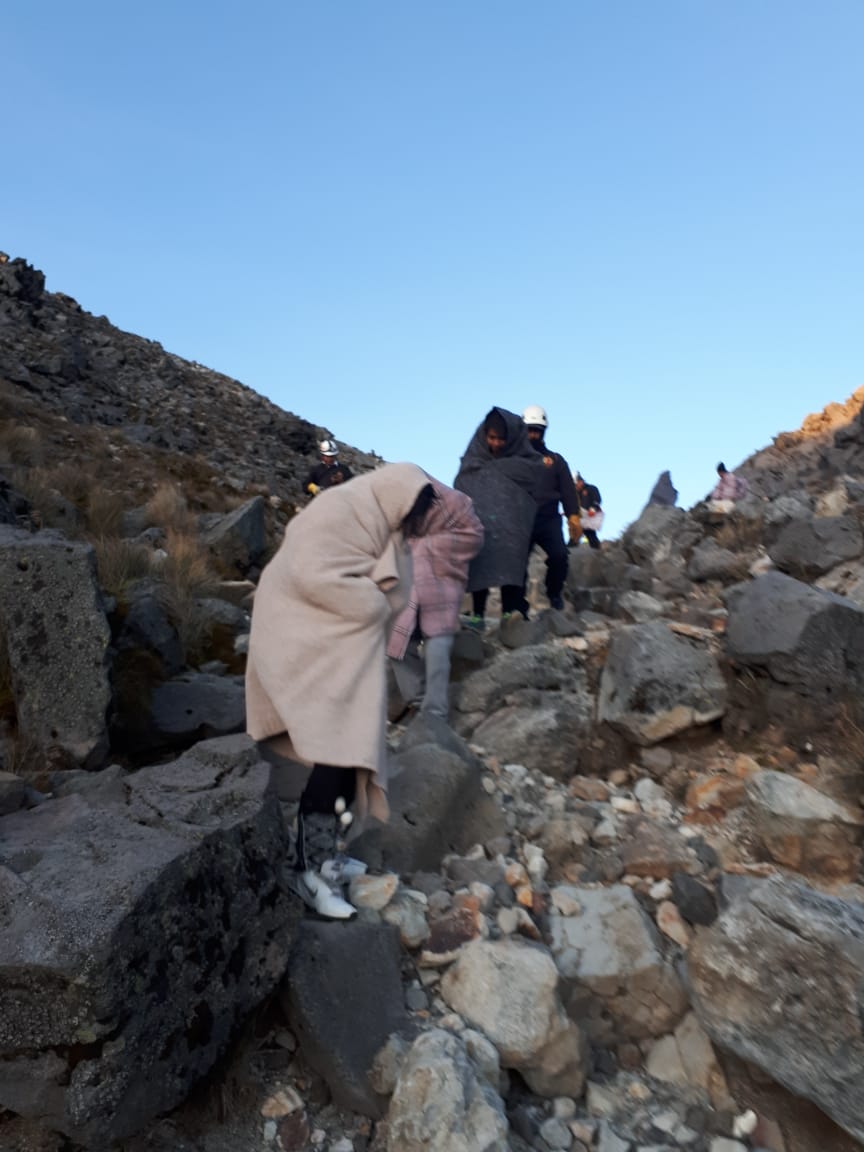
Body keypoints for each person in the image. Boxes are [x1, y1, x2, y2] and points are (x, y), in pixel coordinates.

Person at [246, 462, 434, 918]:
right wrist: (372, 602)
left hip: (337, 645)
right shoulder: (339, 508)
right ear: (398, 498)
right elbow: (313, 573)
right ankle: (309, 873)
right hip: (301, 641)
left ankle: (324, 851)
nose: (413, 527)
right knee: (335, 752)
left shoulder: (376, 520)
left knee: (354, 750)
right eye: (413, 514)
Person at [387, 478, 484, 720]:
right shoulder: (395, 505)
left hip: (443, 580)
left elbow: (474, 536)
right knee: (396, 642)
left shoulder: (455, 502)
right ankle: (418, 700)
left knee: (437, 645)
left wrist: (427, 547)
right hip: (409, 581)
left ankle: (435, 711)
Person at [454, 407, 543, 629]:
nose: (495, 444)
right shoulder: (475, 456)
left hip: (513, 526)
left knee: (512, 565)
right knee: (479, 561)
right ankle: (477, 615)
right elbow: (462, 481)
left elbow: (533, 473)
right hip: (482, 521)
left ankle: (509, 615)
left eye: (501, 440)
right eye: (491, 438)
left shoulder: (524, 458)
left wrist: (498, 470)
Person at [520, 405, 582, 610]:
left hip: (549, 520)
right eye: (530, 429)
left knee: (559, 556)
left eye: (537, 430)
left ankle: (554, 593)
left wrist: (573, 516)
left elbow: (568, 490)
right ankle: (517, 604)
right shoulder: (513, 460)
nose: (533, 434)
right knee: (516, 563)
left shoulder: (555, 460)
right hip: (521, 520)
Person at [573, 473, 603, 550]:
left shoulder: (591, 488)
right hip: (580, 517)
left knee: (590, 534)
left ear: (581, 481)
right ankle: (571, 550)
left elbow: (597, 500)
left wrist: (593, 509)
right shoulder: (576, 494)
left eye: (576, 484)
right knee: (575, 534)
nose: (576, 487)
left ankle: (596, 550)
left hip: (591, 516)